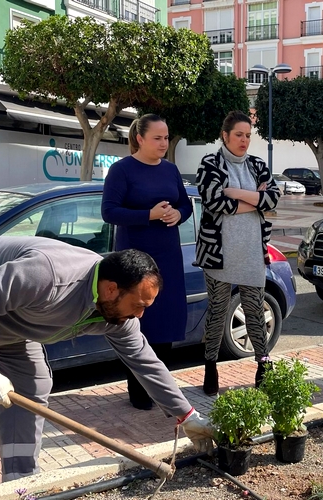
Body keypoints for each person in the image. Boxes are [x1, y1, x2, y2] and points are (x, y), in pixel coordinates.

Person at [0, 237, 214, 500]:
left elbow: (145, 361)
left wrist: (187, 416)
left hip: (10, 318)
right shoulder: (50, 275)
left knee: (31, 387)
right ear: (111, 289)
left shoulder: (118, 314)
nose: (141, 315)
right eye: (139, 305)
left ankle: (20, 486)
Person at [101, 114, 193, 410]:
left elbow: (185, 204)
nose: (164, 143)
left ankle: (160, 389)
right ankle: (138, 392)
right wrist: (148, 215)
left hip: (168, 256)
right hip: (134, 260)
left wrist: (179, 214)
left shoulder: (171, 169)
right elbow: (109, 212)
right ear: (140, 139)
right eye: (157, 138)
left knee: (165, 322)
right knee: (138, 324)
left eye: (166, 137)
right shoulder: (121, 170)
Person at [195, 110, 281, 396]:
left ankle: (263, 365)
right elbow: (213, 201)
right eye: (238, 135)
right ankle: (210, 366)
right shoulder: (210, 163)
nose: (244, 140)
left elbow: (273, 199)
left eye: (248, 135)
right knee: (218, 312)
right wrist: (256, 199)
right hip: (218, 252)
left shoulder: (257, 165)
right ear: (225, 135)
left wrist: (235, 192)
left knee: (255, 310)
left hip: (253, 251)